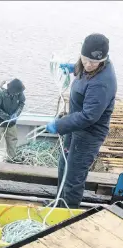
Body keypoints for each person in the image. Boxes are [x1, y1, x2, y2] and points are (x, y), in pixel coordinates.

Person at [46, 33, 117, 208]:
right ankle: (58, 205)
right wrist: (73, 68)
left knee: (74, 177)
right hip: (74, 126)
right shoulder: (87, 65)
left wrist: (59, 125)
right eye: (84, 59)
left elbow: (89, 116)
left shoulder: (102, 83)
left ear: (103, 60)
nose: (88, 65)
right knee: (63, 166)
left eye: (93, 62)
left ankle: (66, 216)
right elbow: (84, 68)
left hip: (88, 134)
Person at [0, 78, 26, 162]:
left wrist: (16, 114)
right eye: (17, 92)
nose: (18, 94)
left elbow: (22, 103)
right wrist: (7, 118)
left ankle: (11, 159)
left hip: (11, 122)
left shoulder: (19, 91)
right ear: (12, 90)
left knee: (12, 139)